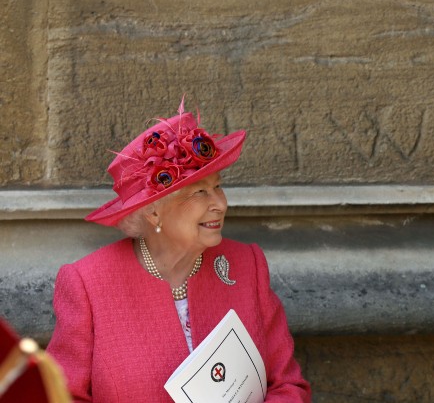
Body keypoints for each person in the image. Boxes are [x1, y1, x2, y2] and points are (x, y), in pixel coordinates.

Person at [47, 101, 311, 402]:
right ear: (153, 213)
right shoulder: (88, 284)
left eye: (218, 187)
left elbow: (288, 387)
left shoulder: (246, 265)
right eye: (199, 192)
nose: (220, 204)